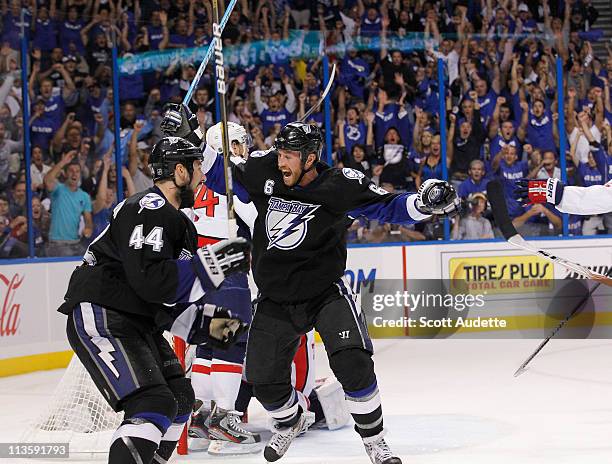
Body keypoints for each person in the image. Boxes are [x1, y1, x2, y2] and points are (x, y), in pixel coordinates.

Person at [162, 104, 460, 464]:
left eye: (290, 155)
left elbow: (388, 206)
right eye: (281, 153)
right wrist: (190, 134)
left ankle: (375, 441)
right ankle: (289, 420)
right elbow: (217, 172)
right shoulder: (265, 170)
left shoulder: (339, 184)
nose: (282, 161)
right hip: (275, 297)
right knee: (262, 379)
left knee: (353, 363)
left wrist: (424, 202)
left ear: (311, 158)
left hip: (324, 294)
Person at [57, 136, 251, 464]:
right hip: (104, 313)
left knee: (179, 397)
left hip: (137, 321)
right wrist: (213, 264)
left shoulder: (181, 225)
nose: (203, 175)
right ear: (179, 171)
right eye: (197, 167)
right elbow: (150, 283)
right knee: (153, 401)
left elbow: (170, 306)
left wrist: (224, 330)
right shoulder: (147, 207)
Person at [185, 121, 262, 455]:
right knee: (229, 341)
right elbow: (258, 216)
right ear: (229, 147)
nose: (244, 150)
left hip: (195, 270)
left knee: (209, 343)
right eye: (240, 145)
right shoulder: (234, 177)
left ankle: (201, 417)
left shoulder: (197, 180)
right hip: (227, 264)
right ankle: (224, 423)